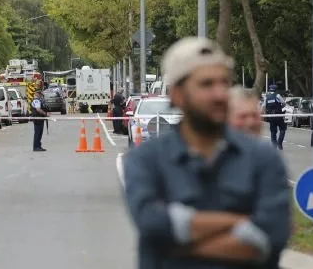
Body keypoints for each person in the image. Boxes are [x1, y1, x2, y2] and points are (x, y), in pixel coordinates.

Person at [122, 37, 291, 269]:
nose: (220, 94)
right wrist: (239, 222)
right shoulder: (147, 160)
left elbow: (270, 237)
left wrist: (175, 244)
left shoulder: (263, 159)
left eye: (224, 83)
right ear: (177, 95)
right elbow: (152, 223)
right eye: (206, 84)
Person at [263, 84, 287, 150]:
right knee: (283, 129)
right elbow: (284, 103)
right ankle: (279, 143)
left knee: (273, 131)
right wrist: (281, 107)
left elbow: (264, 107)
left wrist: (266, 115)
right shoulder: (277, 95)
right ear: (276, 89)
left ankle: (274, 145)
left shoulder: (266, 96)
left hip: (271, 116)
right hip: (278, 115)